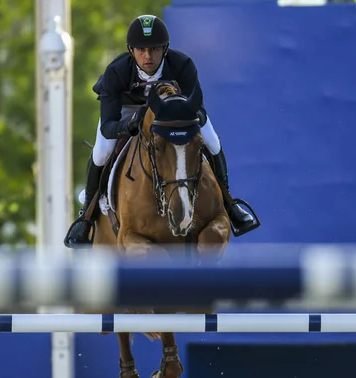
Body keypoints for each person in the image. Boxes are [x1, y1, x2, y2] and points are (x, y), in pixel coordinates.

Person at [64, 15, 257, 248]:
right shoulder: (117, 71)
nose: (148, 56)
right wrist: (130, 125)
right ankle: (86, 217)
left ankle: (229, 204)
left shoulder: (182, 65)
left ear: (164, 49)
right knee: (102, 152)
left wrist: (187, 118)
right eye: (141, 50)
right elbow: (108, 126)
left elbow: (194, 106)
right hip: (127, 113)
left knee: (212, 141)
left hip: (172, 112)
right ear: (131, 50)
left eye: (154, 49)